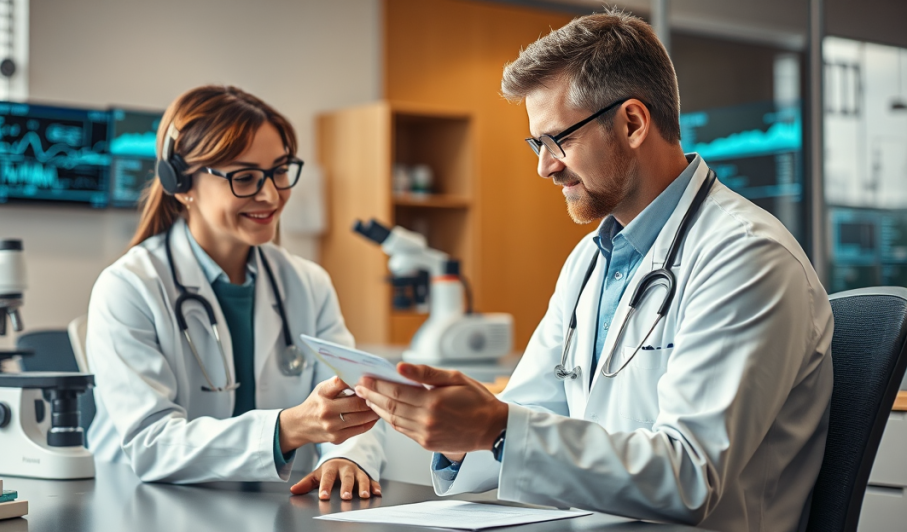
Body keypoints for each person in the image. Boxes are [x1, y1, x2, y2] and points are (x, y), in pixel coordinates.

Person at [354, 10, 832, 531]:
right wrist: (455, 431)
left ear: (632, 123)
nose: (545, 166)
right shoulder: (590, 260)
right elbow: (530, 411)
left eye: (558, 140)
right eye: (538, 144)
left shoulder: (745, 256)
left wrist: (496, 427)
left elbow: (689, 476)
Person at [86, 85, 385, 500]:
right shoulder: (129, 287)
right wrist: (288, 428)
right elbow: (150, 443)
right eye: (244, 177)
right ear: (182, 184)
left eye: (280, 171)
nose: (271, 195)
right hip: (143, 508)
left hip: (274, 510)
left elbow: (354, 401)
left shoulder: (308, 283)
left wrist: (348, 458)